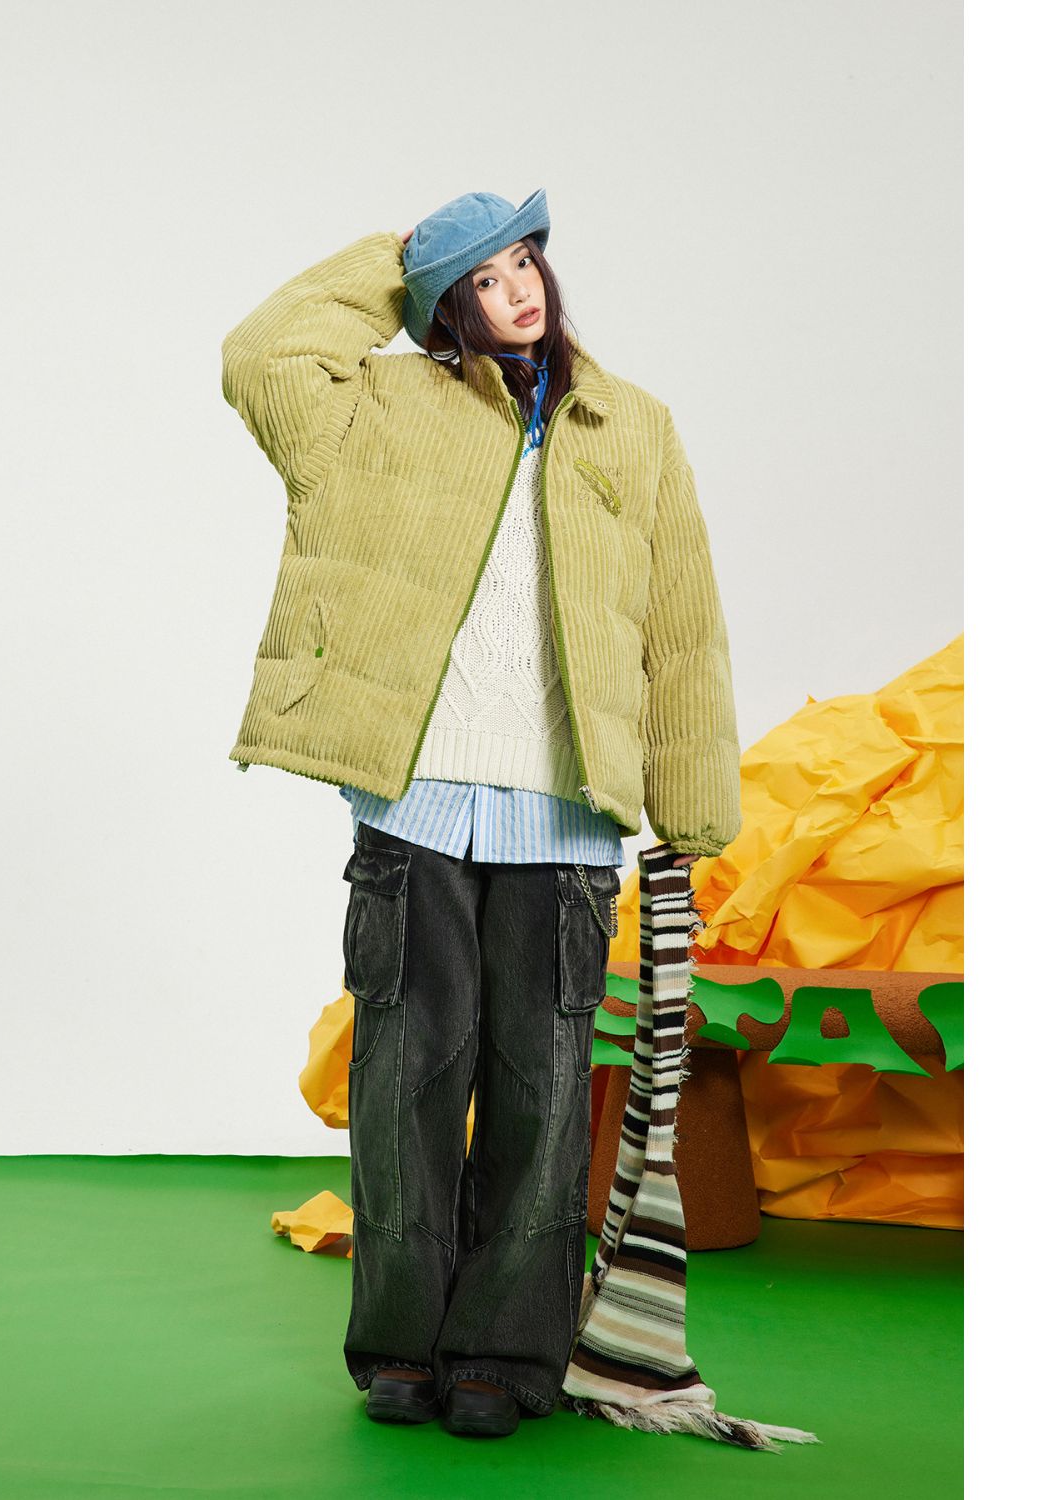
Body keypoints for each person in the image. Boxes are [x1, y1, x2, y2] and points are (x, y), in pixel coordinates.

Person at [220, 189, 740, 1437]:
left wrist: (692, 807)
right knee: (404, 1083)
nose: (519, 289)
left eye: (526, 262)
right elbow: (260, 357)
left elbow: (684, 626)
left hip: (566, 816)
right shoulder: (377, 408)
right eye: (484, 275)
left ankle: (505, 1355)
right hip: (416, 805)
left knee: (543, 1095)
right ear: (445, 306)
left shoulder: (634, 426)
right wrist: (391, 259)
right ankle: (401, 1347)